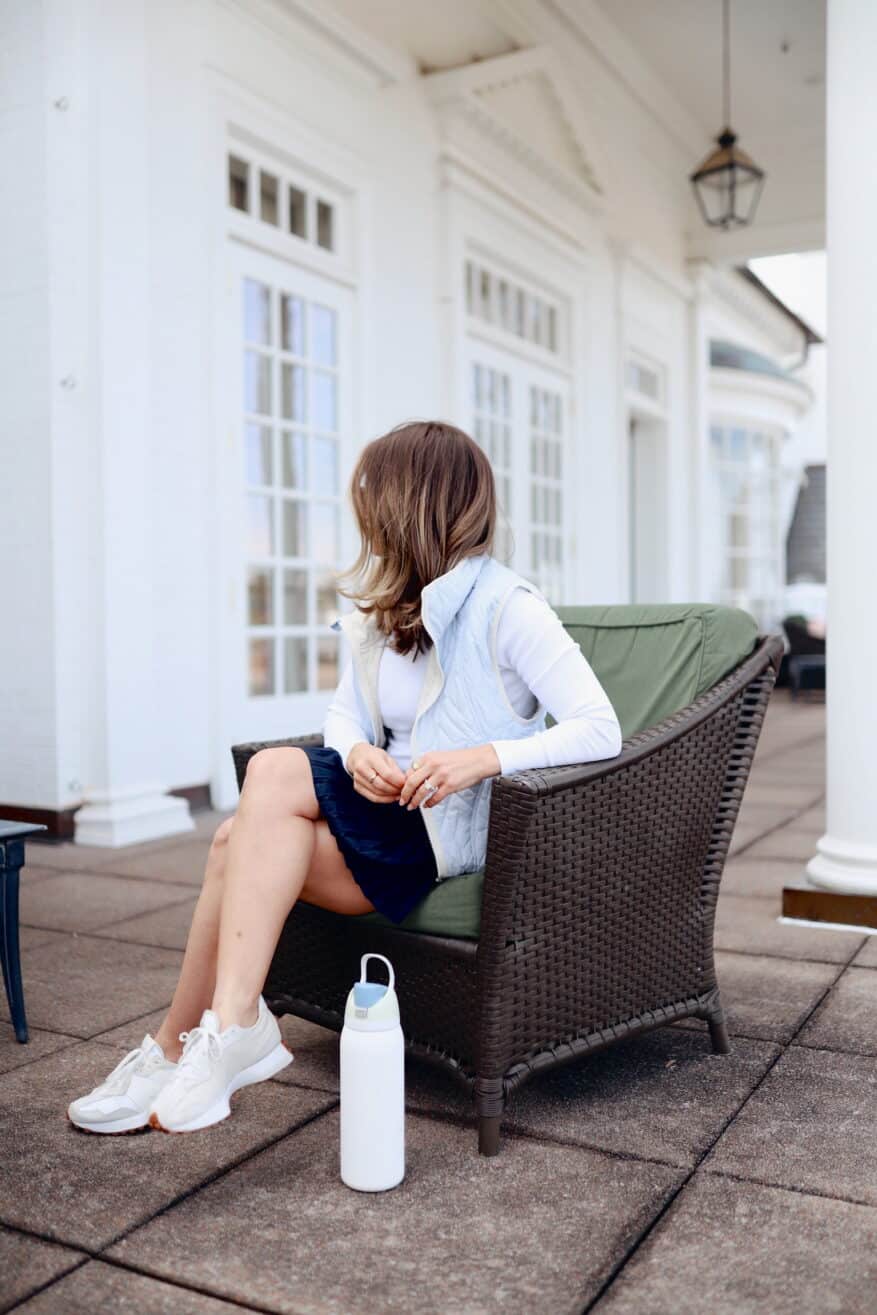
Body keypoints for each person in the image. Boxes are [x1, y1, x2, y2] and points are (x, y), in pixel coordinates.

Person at [67, 420, 623, 1136]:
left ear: (411, 504)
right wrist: (358, 751)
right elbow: (342, 716)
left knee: (253, 802)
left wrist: (480, 757)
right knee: (237, 834)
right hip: (378, 806)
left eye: (373, 500)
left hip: (440, 830)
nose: (364, 516)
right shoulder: (384, 609)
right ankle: (190, 1040)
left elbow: (598, 725)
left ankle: (218, 1029)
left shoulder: (508, 607)